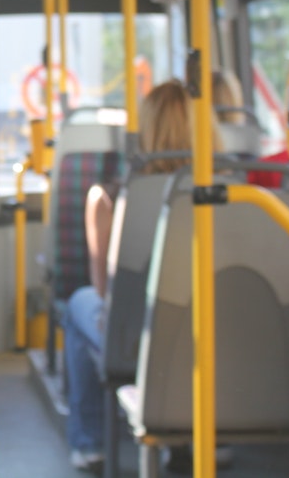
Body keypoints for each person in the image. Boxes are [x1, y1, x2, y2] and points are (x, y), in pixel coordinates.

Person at [63, 80, 217, 473]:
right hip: (215, 342)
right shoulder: (236, 192)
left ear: (145, 131)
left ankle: (91, 442)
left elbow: (106, 291)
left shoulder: (111, 197)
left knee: (80, 303)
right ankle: (201, 433)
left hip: (137, 343)